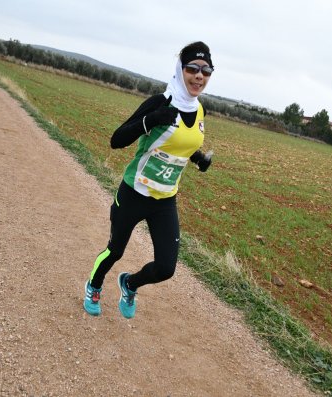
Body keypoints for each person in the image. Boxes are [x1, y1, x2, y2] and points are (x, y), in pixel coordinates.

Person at [83, 41, 215, 318]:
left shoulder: (200, 110)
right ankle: (94, 285)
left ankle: (129, 284)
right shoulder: (160, 103)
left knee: (166, 268)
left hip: (165, 200)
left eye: (206, 70)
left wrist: (198, 158)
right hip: (134, 193)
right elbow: (116, 140)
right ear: (181, 70)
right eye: (193, 68)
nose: (199, 76)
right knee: (115, 251)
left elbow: (182, 143)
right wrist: (150, 120)